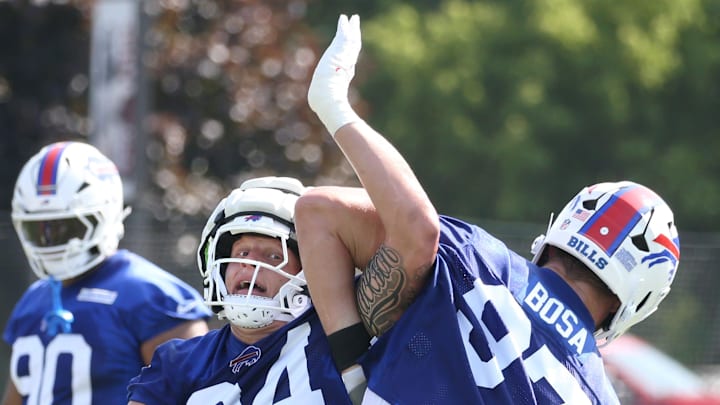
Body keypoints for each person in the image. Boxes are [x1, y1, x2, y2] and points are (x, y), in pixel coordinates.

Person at [296, 14, 682, 404]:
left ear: (564, 229)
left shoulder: (471, 257)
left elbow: (319, 212)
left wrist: (352, 374)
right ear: (637, 298)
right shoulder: (596, 395)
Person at [1, 141, 212, 405]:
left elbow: (201, 396)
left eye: (66, 227)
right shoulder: (32, 301)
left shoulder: (152, 297)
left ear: (105, 214)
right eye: (38, 230)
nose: (50, 242)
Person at [126, 176, 352, 404]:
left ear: (310, 271)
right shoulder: (178, 361)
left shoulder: (341, 335)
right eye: (242, 253)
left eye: (273, 256)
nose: (250, 264)